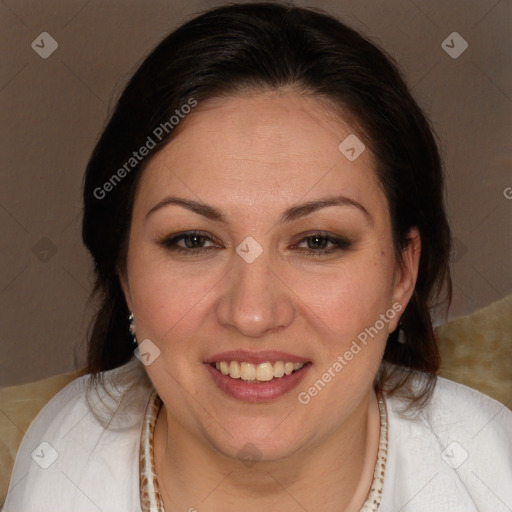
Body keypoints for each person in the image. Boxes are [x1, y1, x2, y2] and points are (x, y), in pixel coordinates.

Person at [3, 3, 511, 512]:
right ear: (125, 272)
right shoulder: (55, 471)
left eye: (317, 241)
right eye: (193, 240)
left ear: (402, 274)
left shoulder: (491, 474)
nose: (251, 314)